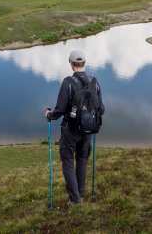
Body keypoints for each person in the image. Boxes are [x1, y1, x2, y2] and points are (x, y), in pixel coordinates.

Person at [45, 49, 104, 206]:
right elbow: (102, 109)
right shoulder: (95, 82)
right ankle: (80, 194)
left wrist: (49, 114)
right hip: (89, 130)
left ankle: (75, 199)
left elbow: (60, 110)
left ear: (71, 63)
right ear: (84, 63)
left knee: (68, 162)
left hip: (70, 130)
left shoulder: (67, 82)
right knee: (82, 160)